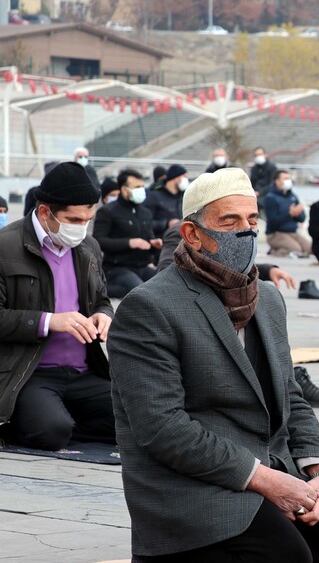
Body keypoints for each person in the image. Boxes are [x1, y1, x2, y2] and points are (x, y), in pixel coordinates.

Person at [107, 167, 319, 563]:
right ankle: (166, 553)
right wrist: (264, 480)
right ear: (193, 233)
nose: (246, 234)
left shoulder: (267, 299)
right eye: (229, 222)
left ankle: (269, 519)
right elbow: (161, 428)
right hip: (195, 479)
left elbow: (291, 396)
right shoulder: (149, 307)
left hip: (272, 465)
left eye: (252, 222)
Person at [0, 162, 115, 451]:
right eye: (74, 219)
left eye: (88, 219)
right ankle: (40, 419)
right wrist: (49, 321)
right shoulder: (5, 246)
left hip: (84, 372)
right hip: (28, 373)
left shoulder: (89, 247)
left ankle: (61, 419)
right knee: (51, 432)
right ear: (44, 212)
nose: (82, 227)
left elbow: (101, 298)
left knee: (140, 417)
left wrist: (104, 314)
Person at [92, 168, 163, 299]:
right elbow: (98, 240)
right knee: (141, 292)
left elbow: (149, 238)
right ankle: (99, 291)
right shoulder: (107, 211)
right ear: (124, 190)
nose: (141, 190)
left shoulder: (145, 212)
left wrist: (154, 244)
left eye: (142, 186)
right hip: (117, 267)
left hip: (142, 266)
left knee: (163, 287)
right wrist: (130, 243)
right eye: (137, 187)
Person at [264, 169, 312, 258]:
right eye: (285, 178)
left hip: (292, 232)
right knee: (296, 250)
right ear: (277, 181)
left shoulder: (293, 196)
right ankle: (274, 251)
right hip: (276, 234)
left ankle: (281, 248)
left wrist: (298, 213)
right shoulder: (270, 198)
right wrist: (289, 214)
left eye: (289, 178)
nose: (288, 181)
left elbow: (302, 219)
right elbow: (273, 222)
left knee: (310, 249)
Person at [144, 164, 188, 238]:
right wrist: (166, 224)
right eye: (184, 177)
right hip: (162, 241)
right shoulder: (154, 196)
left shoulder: (182, 196)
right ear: (176, 178)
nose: (186, 180)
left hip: (180, 240)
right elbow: (144, 222)